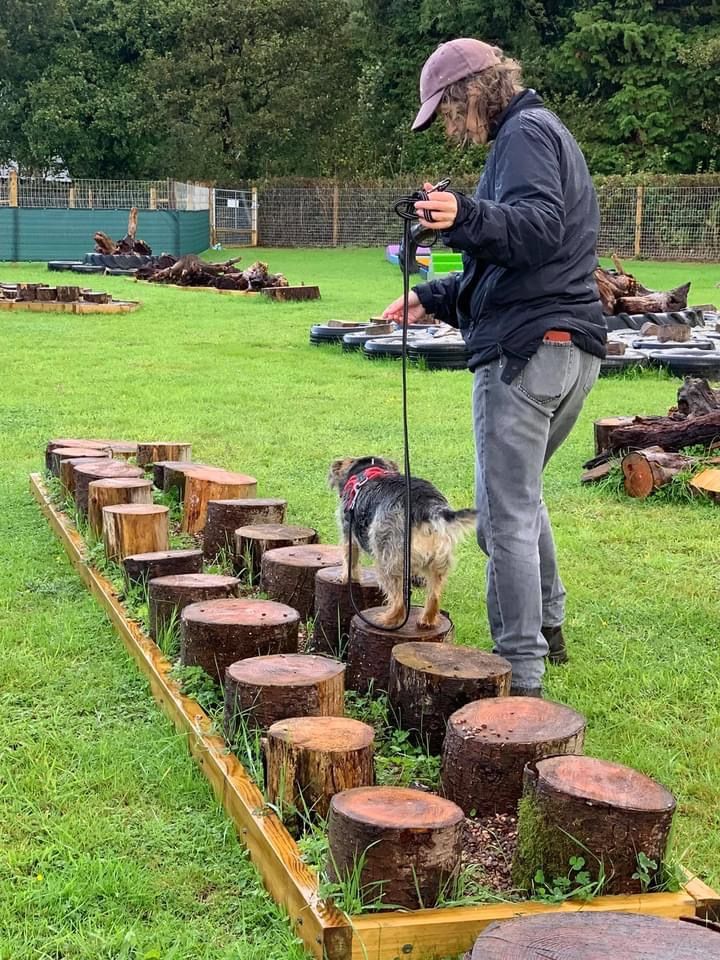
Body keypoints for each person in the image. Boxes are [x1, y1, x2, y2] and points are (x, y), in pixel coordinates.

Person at [383, 38, 606, 697]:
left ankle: (523, 678)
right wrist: (430, 297)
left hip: (525, 356)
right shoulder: (538, 134)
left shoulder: (524, 135)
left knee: (501, 516)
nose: (452, 127)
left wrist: (466, 215)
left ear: (470, 94)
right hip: (568, 349)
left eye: (448, 112)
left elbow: (535, 228)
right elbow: (514, 266)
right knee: (520, 500)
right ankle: (551, 628)